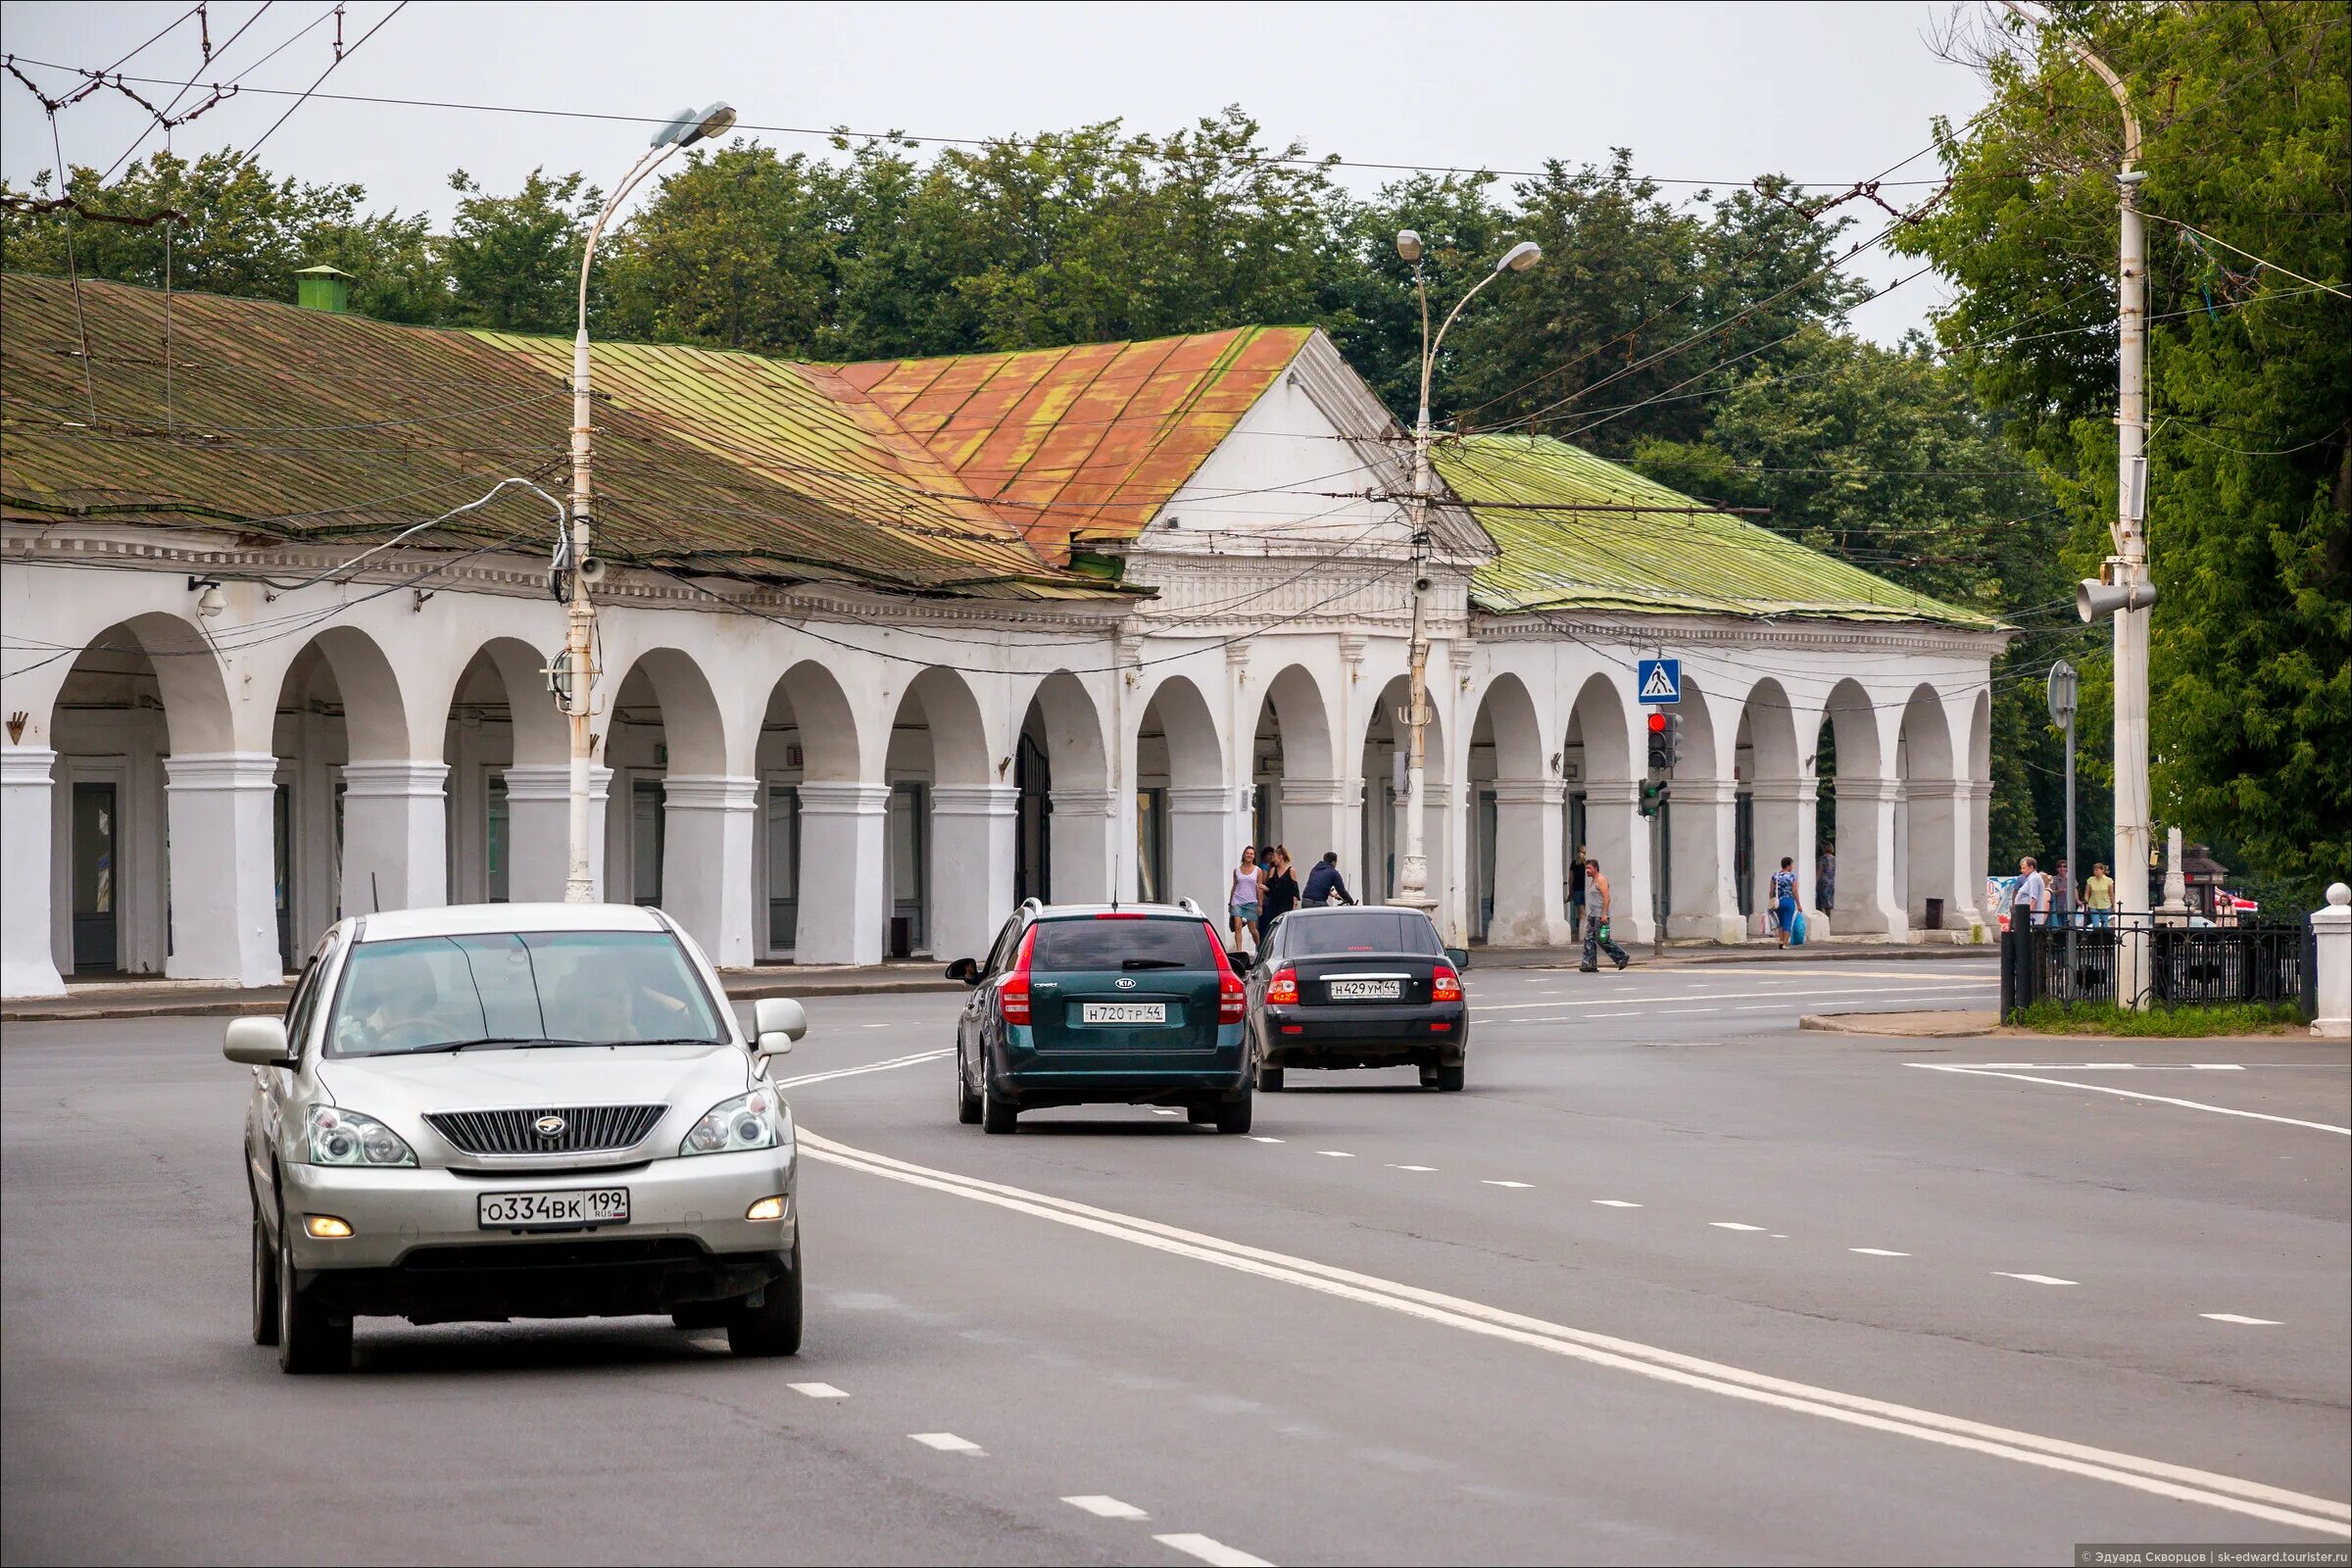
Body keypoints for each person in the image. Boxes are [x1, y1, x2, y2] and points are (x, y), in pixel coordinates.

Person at [1579, 856, 1630, 971]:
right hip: (1593, 915)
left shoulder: (1601, 879)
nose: (1587, 870)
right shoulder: (1593, 881)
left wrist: (1604, 914)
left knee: (1602, 939)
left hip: (1600, 916)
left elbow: (1607, 897)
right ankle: (1589, 964)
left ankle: (1622, 956)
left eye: (1589, 868)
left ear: (1596, 868)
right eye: (1586, 868)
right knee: (1589, 939)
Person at [1258, 846, 1299, 940]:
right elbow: (1269, 887)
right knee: (1274, 927)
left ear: (1281, 856)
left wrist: (1294, 906)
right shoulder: (1273, 870)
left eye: (1275, 857)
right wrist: (1259, 885)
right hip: (1274, 903)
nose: (1273, 860)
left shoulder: (1291, 870)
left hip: (1286, 904)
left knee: (1285, 926)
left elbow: (1295, 890)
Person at [1229, 846, 1262, 948]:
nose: (1249, 855)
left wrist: (1260, 905)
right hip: (1237, 901)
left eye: (1251, 853)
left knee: (1252, 929)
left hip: (1251, 902)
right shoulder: (1237, 870)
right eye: (1247, 853)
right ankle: (1239, 951)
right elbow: (1234, 886)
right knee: (1237, 926)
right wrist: (1230, 902)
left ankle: (1259, 947)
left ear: (1254, 856)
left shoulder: (1258, 870)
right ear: (1244, 855)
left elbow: (1259, 888)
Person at [1770, 856, 1799, 949]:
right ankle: (1785, 944)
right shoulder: (1792, 876)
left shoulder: (1775, 876)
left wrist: (1771, 901)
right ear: (1788, 865)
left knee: (1781, 922)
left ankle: (1781, 941)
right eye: (1791, 865)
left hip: (1778, 902)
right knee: (1787, 922)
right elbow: (1794, 891)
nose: (1792, 867)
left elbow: (1771, 891)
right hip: (1788, 901)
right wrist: (1798, 904)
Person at [2012, 857, 2047, 928]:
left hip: (2030, 920)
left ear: (2031, 867)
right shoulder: (2033, 878)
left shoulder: (2033, 879)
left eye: (2024, 868)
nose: (2021, 870)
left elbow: (2033, 899)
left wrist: (2027, 917)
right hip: (2026, 915)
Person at [1567, 844, 1589, 941]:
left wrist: (1570, 891)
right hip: (1586, 890)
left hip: (1577, 890)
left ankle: (1582, 935)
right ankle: (1587, 934)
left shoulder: (1574, 863)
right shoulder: (1588, 864)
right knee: (1588, 913)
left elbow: (1571, 879)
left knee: (1581, 913)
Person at [2083, 862, 2114, 928]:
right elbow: (2087, 892)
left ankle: (2104, 938)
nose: (2095, 871)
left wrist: (2113, 905)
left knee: (2105, 925)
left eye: (2097, 870)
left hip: (2105, 905)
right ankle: (2096, 937)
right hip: (2093, 905)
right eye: (2094, 870)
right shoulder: (2090, 880)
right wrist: (2086, 903)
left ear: (2102, 870)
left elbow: (2111, 894)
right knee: (2096, 925)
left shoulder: (2109, 880)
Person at [2051, 858, 2076, 928]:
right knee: (2059, 927)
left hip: (2069, 906)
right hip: (2058, 907)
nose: (2062, 869)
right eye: (2060, 867)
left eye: (2064, 867)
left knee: (2069, 927)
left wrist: (2077, 900)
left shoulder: (2071, 878)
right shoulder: (2054, 879)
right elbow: (2051, 893)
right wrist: (2059, 891)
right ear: (2057, 869)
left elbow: (2075, 890)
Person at [1816, 844, 1837, 917]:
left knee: (1819, 903)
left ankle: (1821, 920)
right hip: (1831, 883)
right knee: (1828, 905)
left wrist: (1815, 881)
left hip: (1822, 883)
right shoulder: (1835, 859)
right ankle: (1828, 921)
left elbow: (1819, 870)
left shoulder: (1822, 858)